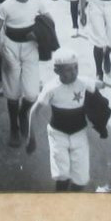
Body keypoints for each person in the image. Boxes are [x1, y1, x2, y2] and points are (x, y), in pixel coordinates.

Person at [0, 0, 53, 147]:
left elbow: (50, 22)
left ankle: (23, 113)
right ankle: (14, 128)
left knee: (32, 93)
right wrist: (2, 53)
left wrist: (40, 34)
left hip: (30, 49)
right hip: (11, 47)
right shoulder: (6, 6)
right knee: (12, 92)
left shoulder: (38, 2)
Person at [26, 47, 99, 191]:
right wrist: (31, 136)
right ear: (57, 71)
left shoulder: (83, 82)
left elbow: (99, 85)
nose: (74, 73)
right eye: (68, 70)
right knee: (62, 176)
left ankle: (73, 205)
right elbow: (34, 111)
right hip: (58, 134)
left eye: (76, 68)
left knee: (81, 179)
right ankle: (60, 204)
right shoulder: (51, 88)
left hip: (79, 133)